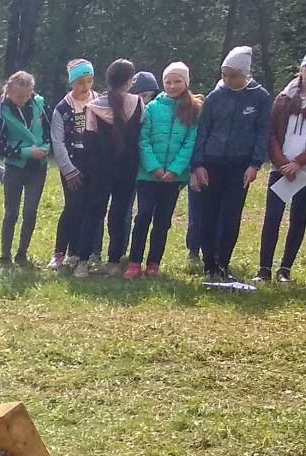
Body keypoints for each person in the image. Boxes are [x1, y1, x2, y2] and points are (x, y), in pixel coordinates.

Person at [193, 46, 273, 282]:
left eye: (233, 76)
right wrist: (198, 164)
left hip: (240, 165)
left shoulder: (260, 97)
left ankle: (223, 263)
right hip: (212, 163)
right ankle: (209, 265)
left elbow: (262, 132)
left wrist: (255, 164)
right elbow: (202, 131)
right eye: (224, 75)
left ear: (245, 75)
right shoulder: (214, 97)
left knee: (231, 215)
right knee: (208, 214)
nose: (228, 80)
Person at [126, 62, 199, 278]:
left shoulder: (193, 109)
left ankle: (154, 263)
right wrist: (154, 168)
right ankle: (134, 261)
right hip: (148, 176)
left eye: (177, 81)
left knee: (163, 220)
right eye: (168, 81)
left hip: (174, 178)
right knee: (143, 215)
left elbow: (190, 142)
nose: (172, 85)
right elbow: (143, 139)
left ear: (186, 83)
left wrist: (175, 170)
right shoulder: (151, 108)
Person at [78, 60, 145, 274]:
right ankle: (114, 262)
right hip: (128, 167)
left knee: (93, 213)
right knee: (119, 213)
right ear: (130, 81)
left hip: (99, 168)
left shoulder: (94, 107)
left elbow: (88, 141)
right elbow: (139, 137)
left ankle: (82, 262)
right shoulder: (138, 104)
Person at [257, 57, 306, 282]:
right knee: (273, 216)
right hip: (280, 168)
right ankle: (264, 269)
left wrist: (298, 163)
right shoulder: (284, 99)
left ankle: (284, 269)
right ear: (301, 71)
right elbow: (271, 133)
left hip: (303, 170)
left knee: (299, 218)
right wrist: (280, 162)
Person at [0, 71, 50, 267]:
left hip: (38, 168)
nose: (23, 100)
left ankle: (22, 253)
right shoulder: (2, 110)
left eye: (27, 96)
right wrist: (27, 152)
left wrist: (44, 149)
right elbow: (0, 147)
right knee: (11, 213)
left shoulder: (39, 104)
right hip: (14, 168)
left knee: (30, 211)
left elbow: (50, 132)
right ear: (9, 90)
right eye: (19, 96)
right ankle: (5, 254)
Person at [50, 59, 99, 272]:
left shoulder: (100, 102)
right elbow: (57, 141)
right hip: (72, 163)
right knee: (72, 207)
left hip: (95, 162)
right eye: (80, 82)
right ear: (72, 83)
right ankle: (59, 253)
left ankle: (81, 253)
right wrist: (68, 170)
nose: (85, 87)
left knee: (91, 208)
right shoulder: (62, 108)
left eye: (89, 81)